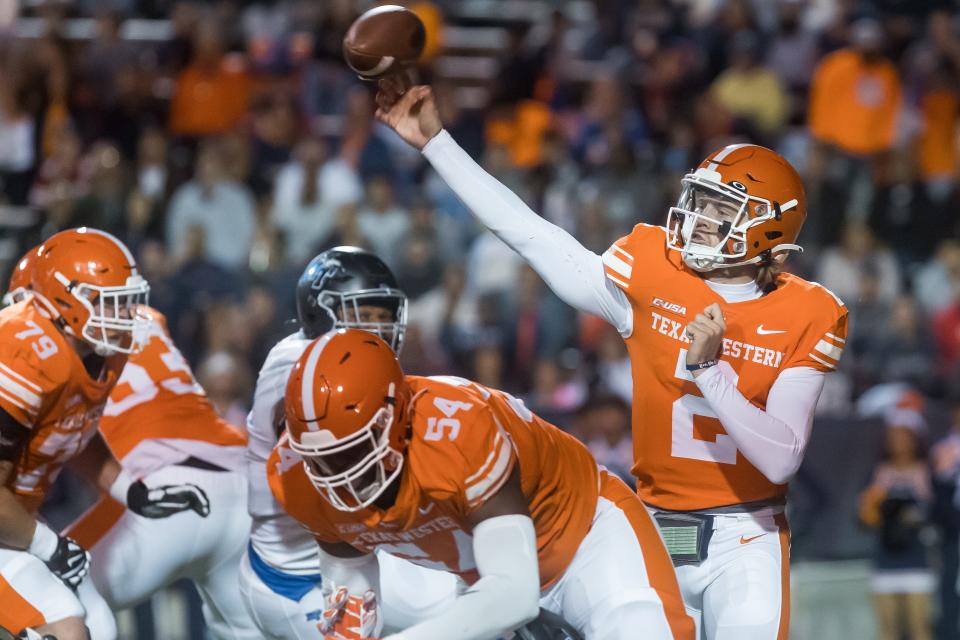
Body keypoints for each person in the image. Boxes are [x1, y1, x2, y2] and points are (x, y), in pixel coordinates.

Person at [376, 80, 848, 639]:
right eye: (698, 200)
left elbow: (781, 459)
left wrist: (710, 373)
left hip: (744, 535)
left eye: (721, 210)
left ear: (767, 228)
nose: (695, 219)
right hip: (651, 523)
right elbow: (532, 237)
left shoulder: (810, 310)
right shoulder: (653, 267)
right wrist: (437, 144)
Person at [269, 329, 694, 640]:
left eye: (354, 449)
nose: (336, 474)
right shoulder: (297, 476)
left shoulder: (455, 428)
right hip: (482, 574)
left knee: (640, 627)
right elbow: (351, 586)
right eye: (319, 458)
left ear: (397, 417)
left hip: (584, 534)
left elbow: (514, 594)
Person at [4, 245, 260, 639]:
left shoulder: (90, 357)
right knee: (68, 622)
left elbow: (72, 436)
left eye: (125, 303)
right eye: (112, 303)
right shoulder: (24, 355)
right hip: (240, 480)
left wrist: (133, 493)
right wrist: (47, 544)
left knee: (98, 625)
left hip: (26, 518)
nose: (126, 317)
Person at [239, 246, 457, 638]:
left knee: (471, 594)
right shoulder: (301, 364)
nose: (379, 329)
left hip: (354, 547)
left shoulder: (342, 363)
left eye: (384, 316)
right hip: (296, 574)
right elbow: (344, 474)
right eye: (364, 316)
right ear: (320, 313)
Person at [859, 412, 934, 640]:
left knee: (919, 628)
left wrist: (924, 497)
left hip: (916, 559)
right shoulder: (878, 474)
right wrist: (874, 499)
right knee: (887, 630)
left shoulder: (926, 472)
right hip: (885, 559)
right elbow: (866, 519)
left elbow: (936, 515)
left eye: (903, 437)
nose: (898, 443)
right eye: (893, 438)